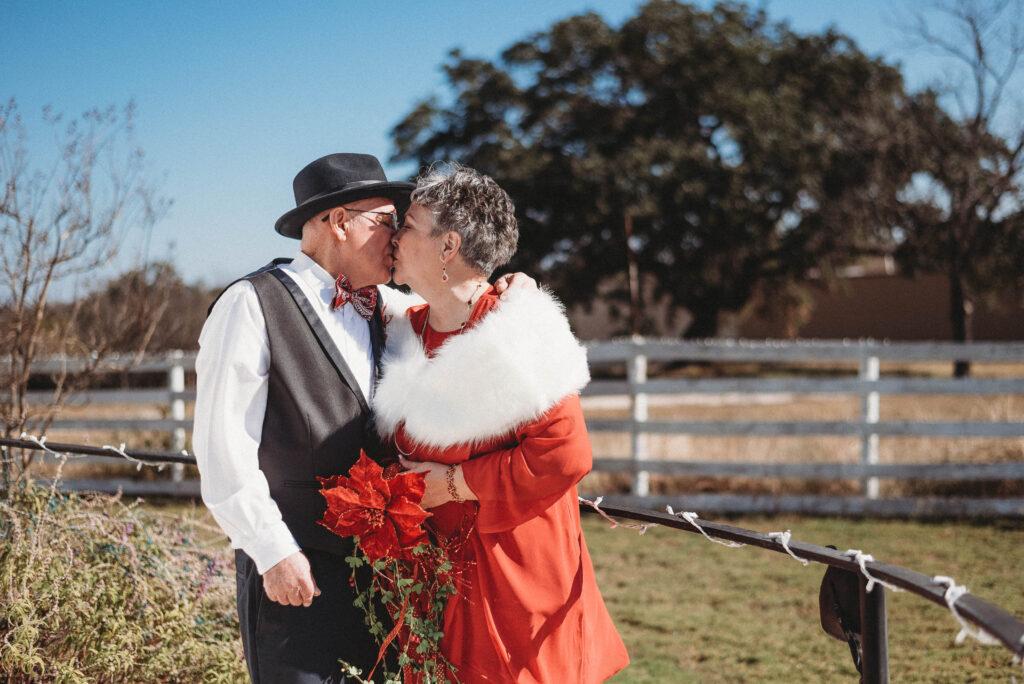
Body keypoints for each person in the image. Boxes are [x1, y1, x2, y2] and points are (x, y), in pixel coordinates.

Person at [373, 163, 630, 683]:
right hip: (434, 581)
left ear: (449, 246)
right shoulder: (403, 329)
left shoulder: (516, 329)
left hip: (513, 579)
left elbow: (564, 452)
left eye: (409, 223)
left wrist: (451, 485)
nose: (393, 235)